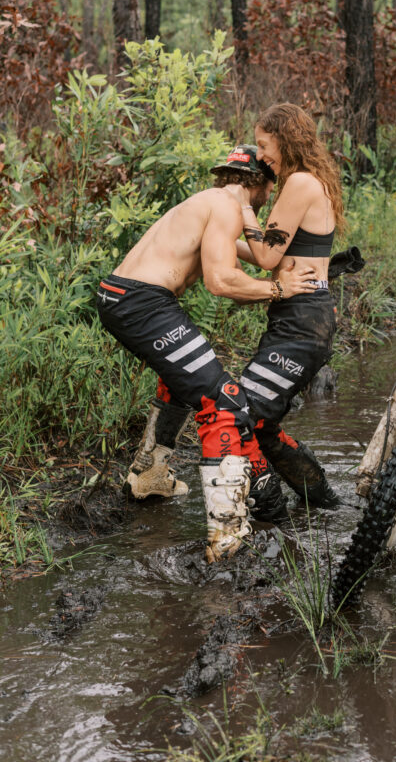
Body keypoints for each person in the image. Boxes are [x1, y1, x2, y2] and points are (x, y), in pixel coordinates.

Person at [96, 145, 316, 564]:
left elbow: (259, 257)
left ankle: (149, 476)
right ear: (260, 184)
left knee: (182, 382)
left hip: (120, 297)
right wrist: (278, 290)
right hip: (143, 304)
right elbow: (221, 281)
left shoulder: (211, 202)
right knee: (224, 399)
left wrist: (294, 269)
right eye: (271, 185)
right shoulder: (227, 208)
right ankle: (228, 536)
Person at [227, 102, 344, 509]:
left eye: (264, 145)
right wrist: (217, 241)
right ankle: (324, 500)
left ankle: (270, 509)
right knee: (261, 423)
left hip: (303, 322)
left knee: (241, 411)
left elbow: (267, 258)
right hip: (301, 319)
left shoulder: (300, 184)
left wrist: (241, 203)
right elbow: (267, 252)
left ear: (285, 139)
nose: (260, 156)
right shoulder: (304, 182)